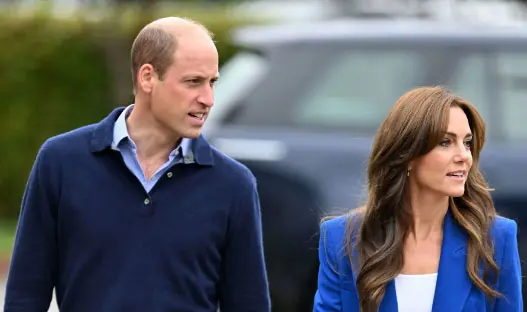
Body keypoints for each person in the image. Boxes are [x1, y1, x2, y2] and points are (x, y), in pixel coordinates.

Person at [4, 16, 270, 312]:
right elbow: (25, 295)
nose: (208, 99)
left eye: (212, 82)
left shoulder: (233, 185)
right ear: (147, 78)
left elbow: (249, 304)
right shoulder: (61, 162)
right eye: (193, 81)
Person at [312, 86, 522, 312]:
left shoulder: (496, 239)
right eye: (445, 142)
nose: (463, 156)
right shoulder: (341, 239)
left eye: (467, 143)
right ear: (408, 155)